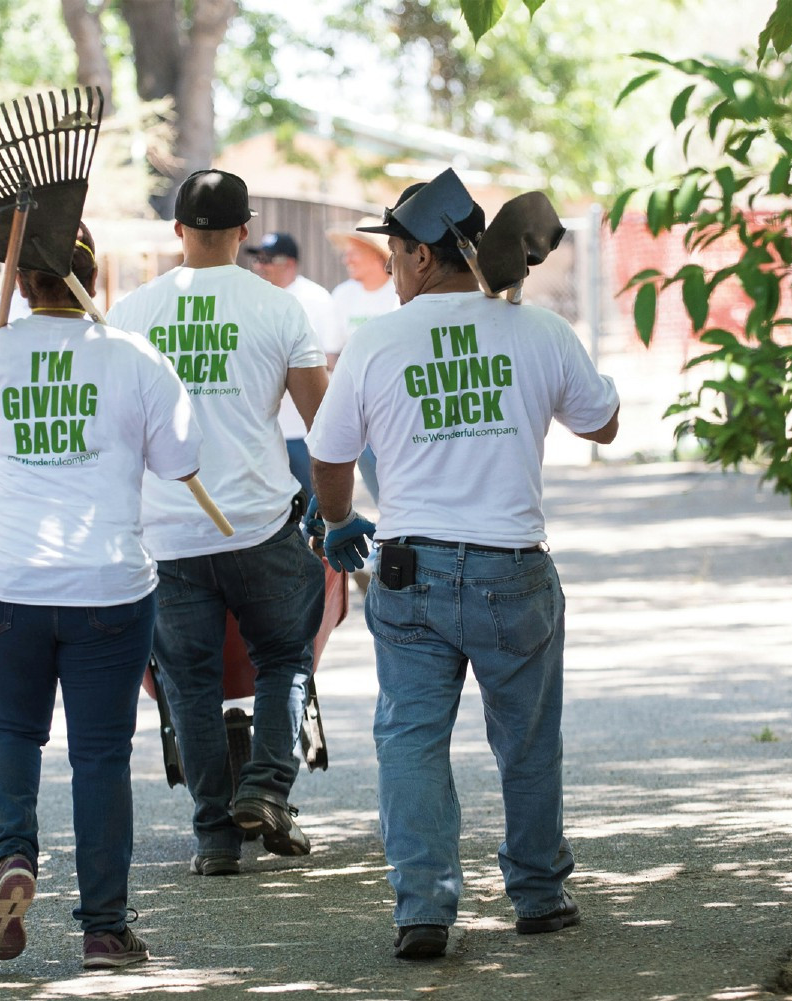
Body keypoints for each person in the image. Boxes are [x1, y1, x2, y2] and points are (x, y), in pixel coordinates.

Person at [305, 172, 620, 960]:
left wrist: (340, 521)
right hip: (514, 573)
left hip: (411, 572)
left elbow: (329, 452)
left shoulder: (379, 340)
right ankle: (540, 894)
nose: (391, 271)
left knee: (410, 740)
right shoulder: (537, 329)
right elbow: (605, 424)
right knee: (527, 740)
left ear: (417, 256)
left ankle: (423, 910)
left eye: (394, 255)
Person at [0, 223, 202, 970]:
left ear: (22, 283)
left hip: (5, 583)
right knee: (102, 755)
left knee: (10, 730)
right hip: (110, 587)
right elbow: (184, 461)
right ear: (93, 281)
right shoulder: (134, 357)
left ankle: (13, 856)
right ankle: (105, 928)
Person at [106, 169, 329, 878]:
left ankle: (214, 837)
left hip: (167, 531)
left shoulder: (130, 314)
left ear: (178, 230)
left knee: (189, 683)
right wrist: (338, 506)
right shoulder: (279, 307)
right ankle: (265, 785)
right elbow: (325, 426)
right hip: (260, 520)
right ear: (243, 232)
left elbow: (111, 433)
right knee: (285, 656)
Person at [246, 231, 342, 504]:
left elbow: (332, 358)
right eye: (257, 259)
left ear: (289, 263)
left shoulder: (316, 298)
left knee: (316, 506)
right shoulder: (252, 298)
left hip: (303, 428)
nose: (260, 266)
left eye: (267, 259)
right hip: (262, 430)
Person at [324, 217, 401, 505]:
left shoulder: (400, 291)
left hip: (400, 408)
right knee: (383, 495)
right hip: (364, 415)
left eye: (354, 251)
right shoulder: (342, 295)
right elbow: (332, 353)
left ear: (376, 254)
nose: (346, 258)